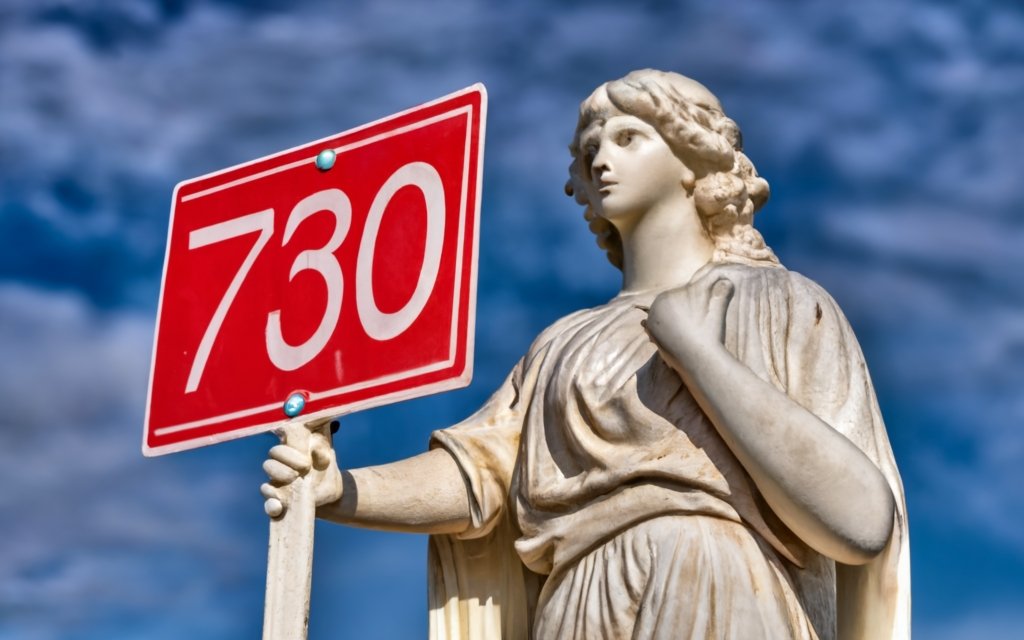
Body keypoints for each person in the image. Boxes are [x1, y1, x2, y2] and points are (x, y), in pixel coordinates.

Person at [261, 69, 910, 640]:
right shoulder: (562, 344)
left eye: (629, 138)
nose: (603, 158)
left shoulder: (779, 302)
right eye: (591, 147)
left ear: (692, 159)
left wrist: (695, 353)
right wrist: (339, 489)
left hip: (720, 582)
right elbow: (481, 475)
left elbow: (859, 518)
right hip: (577, 601)